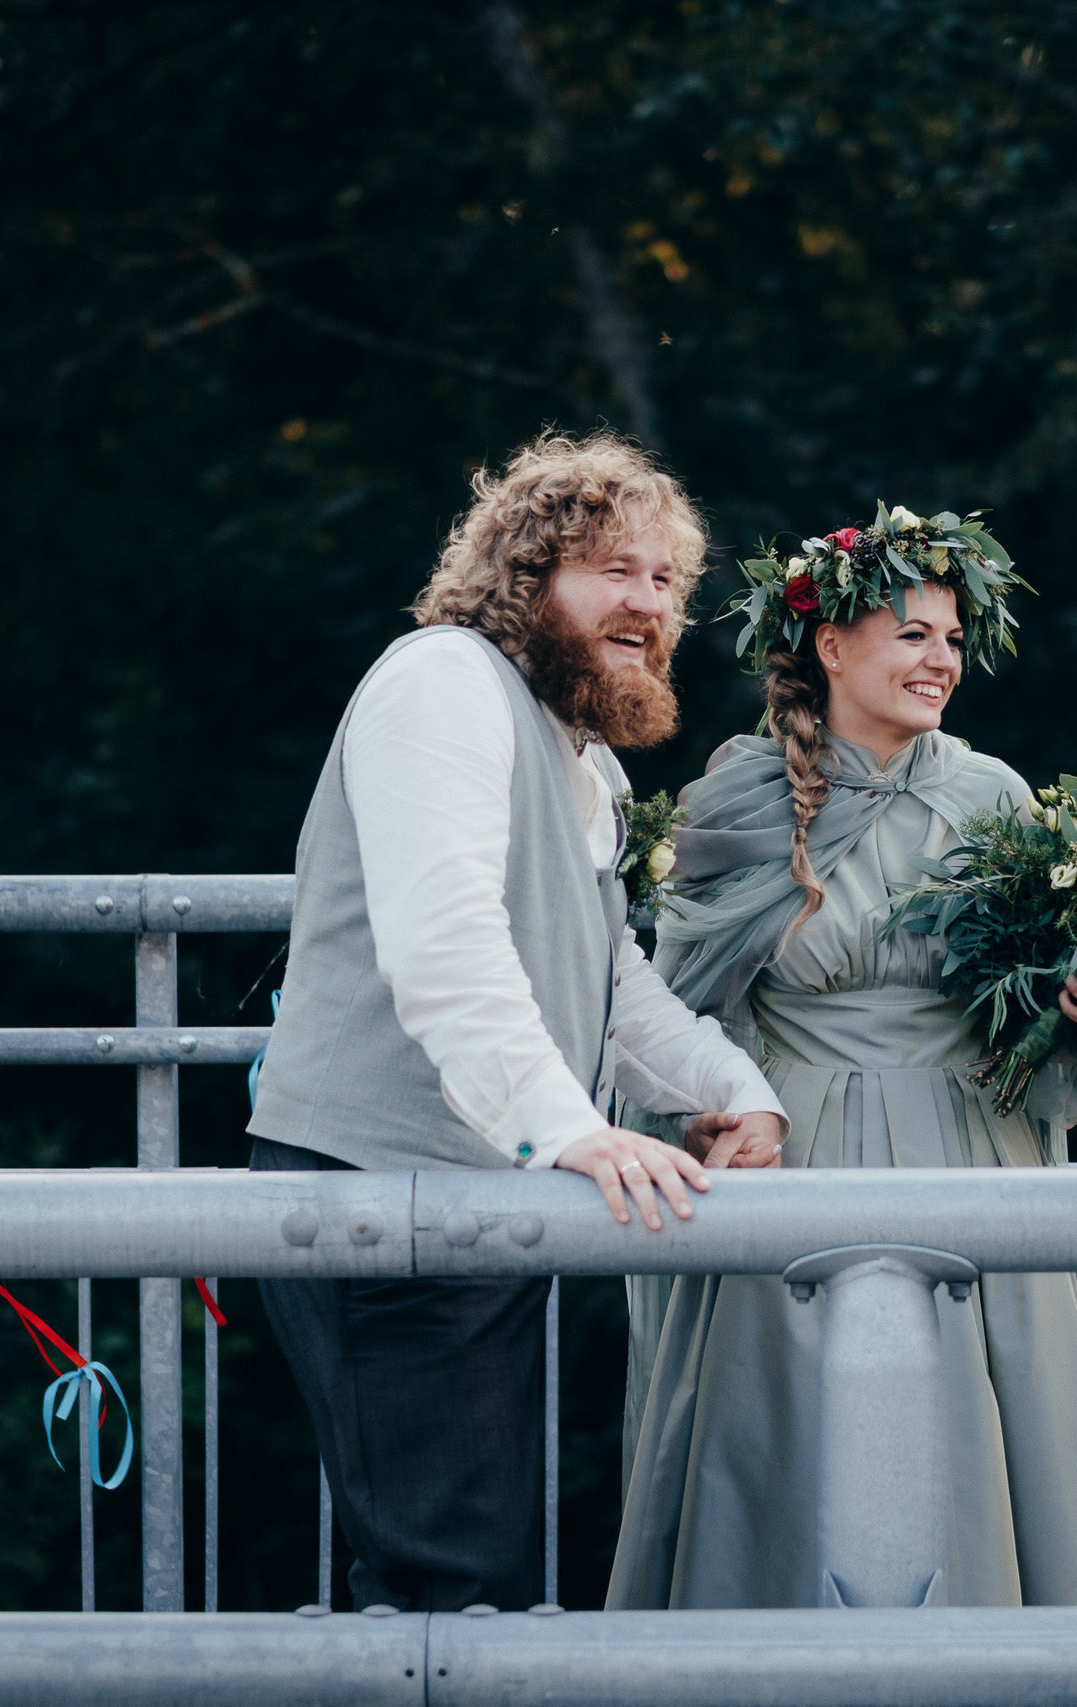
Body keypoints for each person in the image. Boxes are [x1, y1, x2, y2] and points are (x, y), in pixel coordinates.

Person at [246, 430, 789, 1615]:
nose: (649, 605)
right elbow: (443, 947)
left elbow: (609, 979)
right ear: (526, 575)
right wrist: (569, 1132)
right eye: (615, 571)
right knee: (450, 1581)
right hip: (376, 1197)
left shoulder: (581, 759)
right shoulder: (441, 682)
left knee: (446, 1578)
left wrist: (731, 1086)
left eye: (665, 581)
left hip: (467, 1203)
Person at [606, 505, 1077, 1610]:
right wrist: (702, 1116)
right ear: (831, 647)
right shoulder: (740, 801)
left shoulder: (993, 796)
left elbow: (1023, 1031)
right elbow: (670, 1007)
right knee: (786, 1453)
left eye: (951, 639)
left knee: (986, 1450)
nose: (940, 660)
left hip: (973, 1153)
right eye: (912, 635)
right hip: (794, 1159)